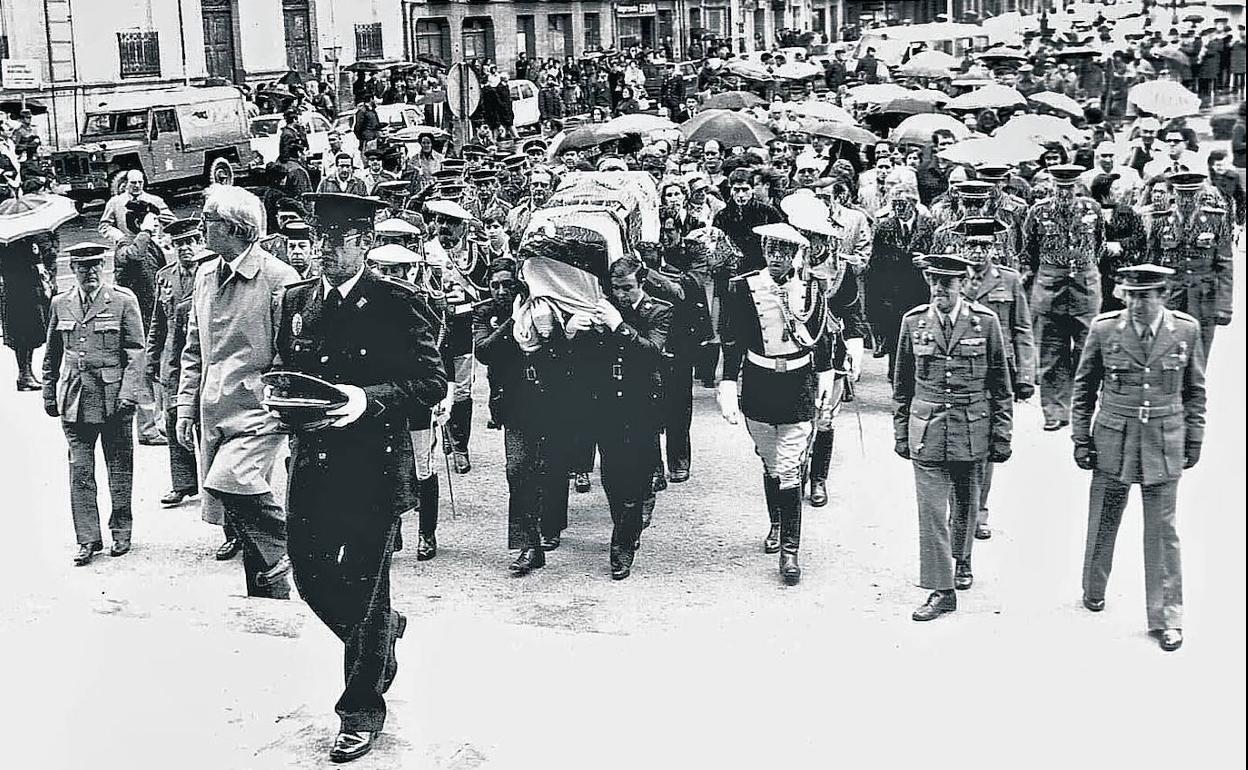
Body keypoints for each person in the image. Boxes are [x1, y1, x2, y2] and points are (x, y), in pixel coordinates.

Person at [268, 193, 444, 762]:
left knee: (367, 587)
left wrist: (366, 399)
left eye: (336, 241)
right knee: (311, 575)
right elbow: (286, 370)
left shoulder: (396, 302)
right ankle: (382, 633)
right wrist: (277, 398)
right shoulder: (296, 300)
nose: (323, 251)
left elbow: (430, 382)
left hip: (372, 463)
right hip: (312, 462)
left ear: (364, 244)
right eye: (317, 239)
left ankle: (359, 710)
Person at [1072, 265, 1207, 653]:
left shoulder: (1185, 330)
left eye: (1144, 296)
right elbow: (1084, 388)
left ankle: (1167, 617)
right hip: (1114, 436)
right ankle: (1093, 587)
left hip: (1164, 438)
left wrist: (1194, 438)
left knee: (1163, 530)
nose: (1135, 304)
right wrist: (1081, 438)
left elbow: (1195, 391)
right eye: (1129, 296)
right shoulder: (1104, 329)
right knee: (1103, 517)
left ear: (1163, 295)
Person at [176, 186, 300, 599]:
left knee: (232, 479)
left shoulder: (280, 278)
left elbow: (292, 353)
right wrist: (185, 407)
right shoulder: (204, 275)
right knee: (238, 511)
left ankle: (296, 546)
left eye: (207, 219)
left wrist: (278, 400)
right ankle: (268, 596)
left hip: (258, 410)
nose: (200, 226)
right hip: (214, 410)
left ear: (233, 227)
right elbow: (193, 347)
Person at [892, 253, 1013, 622]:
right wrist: (901, 432)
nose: (939, 290)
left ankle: (961, 561)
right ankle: (940, 588)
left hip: (971, 426)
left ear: (963, 284)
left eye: (947, 283)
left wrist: (1002, 435)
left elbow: (1000, 386)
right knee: (931, 510)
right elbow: (902, 384)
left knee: (965, 503)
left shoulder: (985, 323)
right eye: (934, 282)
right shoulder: (913, 323)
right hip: (926, 428)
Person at [718, 223, 834, 585]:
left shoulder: (813, 289)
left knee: (788, 466)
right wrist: (725, 383)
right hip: (759, 382)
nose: (778, 257)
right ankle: (776, 522)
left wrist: (827, 377)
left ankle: (789, 551)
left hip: (797, 383)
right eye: (772, 250)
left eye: (785, 251)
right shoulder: (742, 287)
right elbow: (732, 339)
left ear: (797, 254)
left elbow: (821, 336)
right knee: (770, 462)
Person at [474, 250, 582, 572]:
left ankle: (551, 525)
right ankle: (528, 544)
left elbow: (567, 351)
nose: (501, 291)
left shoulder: (547, 306)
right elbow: (484, 352)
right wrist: (514, 319)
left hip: (552, 400)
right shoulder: (486, 314)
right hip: (515, 404)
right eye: (495, 286)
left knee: (552, 466)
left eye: (508, 285)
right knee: (517, 469)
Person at [42, 243, 146, 566]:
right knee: (80, 471)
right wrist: (49, 393)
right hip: (74, 400)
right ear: (72, 269)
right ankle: (87, 539)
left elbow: (136, 352)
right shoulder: (61, 304)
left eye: (96, 265)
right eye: (83, 267)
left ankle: (121, 531)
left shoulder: (122, 301)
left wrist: (128, 395)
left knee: (119, 468)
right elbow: (52, 355)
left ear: (104, 266)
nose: (90, 272)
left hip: (113, 400)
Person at [579, 256, 671, 580]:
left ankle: (622, 545)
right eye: (616, 288)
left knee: (633, 479)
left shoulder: (658, 311)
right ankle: (627, 524)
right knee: (611, 479)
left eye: (628, 288)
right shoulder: (603, 308)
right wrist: (579, 330)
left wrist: (619, 326)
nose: (621, 294)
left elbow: (652, 352)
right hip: (606, 406)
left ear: (641, 282)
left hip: (642, 406)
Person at [955, 218, 1036, 541]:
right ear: (962, 247)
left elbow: (1022, 329)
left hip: (997, 373)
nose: (977, 251)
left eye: (984, 246)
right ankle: (958, 509)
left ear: (994, 248)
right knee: (957, 441)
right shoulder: (953, 278)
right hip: (960, 371)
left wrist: (1026, 374)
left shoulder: (1010, 280)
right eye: (972, 245)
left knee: (988, 445)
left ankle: (979, 512)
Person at [1024, 164, 1104, 432]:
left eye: (1069, 187)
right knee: (1051, 353)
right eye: (1060, 187)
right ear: (1052, 185)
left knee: (1086, 353)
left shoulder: (1092, 210)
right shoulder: (1038, 212)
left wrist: (1084, 268)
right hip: (1050, 290)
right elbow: (1029, 250)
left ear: (1077, 186)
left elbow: (1100, 245)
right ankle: (1054, 411)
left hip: (1084, 290)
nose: (1064, 192)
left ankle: (1080, 408)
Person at [146, 219, 214, 511]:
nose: (185, 248)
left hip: (204, 355)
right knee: (176, 417)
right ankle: (183, 483)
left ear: (199, 241)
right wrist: (150, 359)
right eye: (179, 244)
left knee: (205, 421)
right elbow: (157, 322)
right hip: (173, 358)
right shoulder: (165, 277)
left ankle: (212, 482)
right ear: (172, 247)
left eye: (190, 242)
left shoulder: (209, 271)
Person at [1145, 171, 1234, 355]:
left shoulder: (1215, 220)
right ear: (1174, 194)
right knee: (1167, 353)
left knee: (1199, 353)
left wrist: (1224, 306)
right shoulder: (1160, 220)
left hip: (1203, 298)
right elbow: (1151, 262)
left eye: (1192, 194)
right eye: (1182, 194)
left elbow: (1224, 264)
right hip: (1170, 298)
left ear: (1200, 194)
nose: (1187, 200)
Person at [114, 198, 170, 445]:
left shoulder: (153, 246)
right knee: (143, 375)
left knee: (157, 373)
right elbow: (134, 257)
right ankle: (147, 430)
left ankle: (157, 423)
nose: (156, 226)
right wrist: (146, 230)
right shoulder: (125, 246)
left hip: (154, 319)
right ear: (139, 222)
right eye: (151, 221)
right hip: (135, 323)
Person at [867, 183, 934, 373]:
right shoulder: (884, 228)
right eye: (894, 204)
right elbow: (875, 265)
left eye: (902, 204)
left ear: (913, 204)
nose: (898, 209)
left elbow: (937, 256)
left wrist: (928, 262)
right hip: (892, 294)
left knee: (920, 337)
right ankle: (896, 379)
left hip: (920, 291)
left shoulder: (929, 226)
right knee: (895, 338)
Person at [0, 233, 56, 391]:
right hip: (17, 290)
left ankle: (26, 373)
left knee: (30, 332)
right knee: (21, 334)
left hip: (28, 288)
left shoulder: (24, 236)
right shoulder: (7, 238)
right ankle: (24, 374)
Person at [97, 169, 172, 245]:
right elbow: (104, 226)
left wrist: (165, 239)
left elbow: (172, 223)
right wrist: (120, 237)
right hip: (127, 245)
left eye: (140, 182)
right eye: (133, 183)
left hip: (152, 245)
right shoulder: (115, 202)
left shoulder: (155, 201)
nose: (137, 186)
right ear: (126, 183)